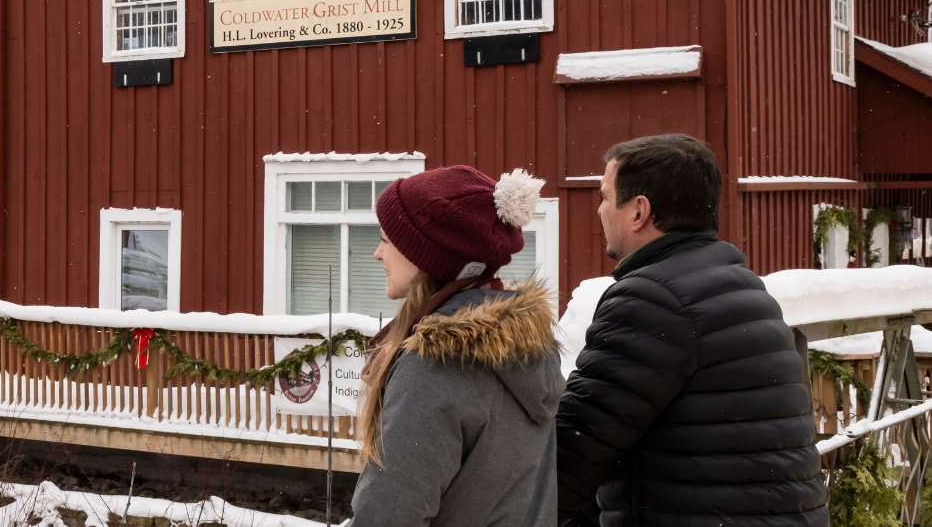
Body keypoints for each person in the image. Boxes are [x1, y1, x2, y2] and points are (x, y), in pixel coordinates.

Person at [556, 134, 824, 526]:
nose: (599, 211)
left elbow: (576, 449)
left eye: (605, 196)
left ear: (638, 212)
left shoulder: (652, 299)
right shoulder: (743, 287)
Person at [349, 165, 562, 526]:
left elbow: (387, 515)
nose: (377, 254)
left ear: (428, 256)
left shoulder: (436, 364)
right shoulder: (529, 349)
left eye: (387, 239)